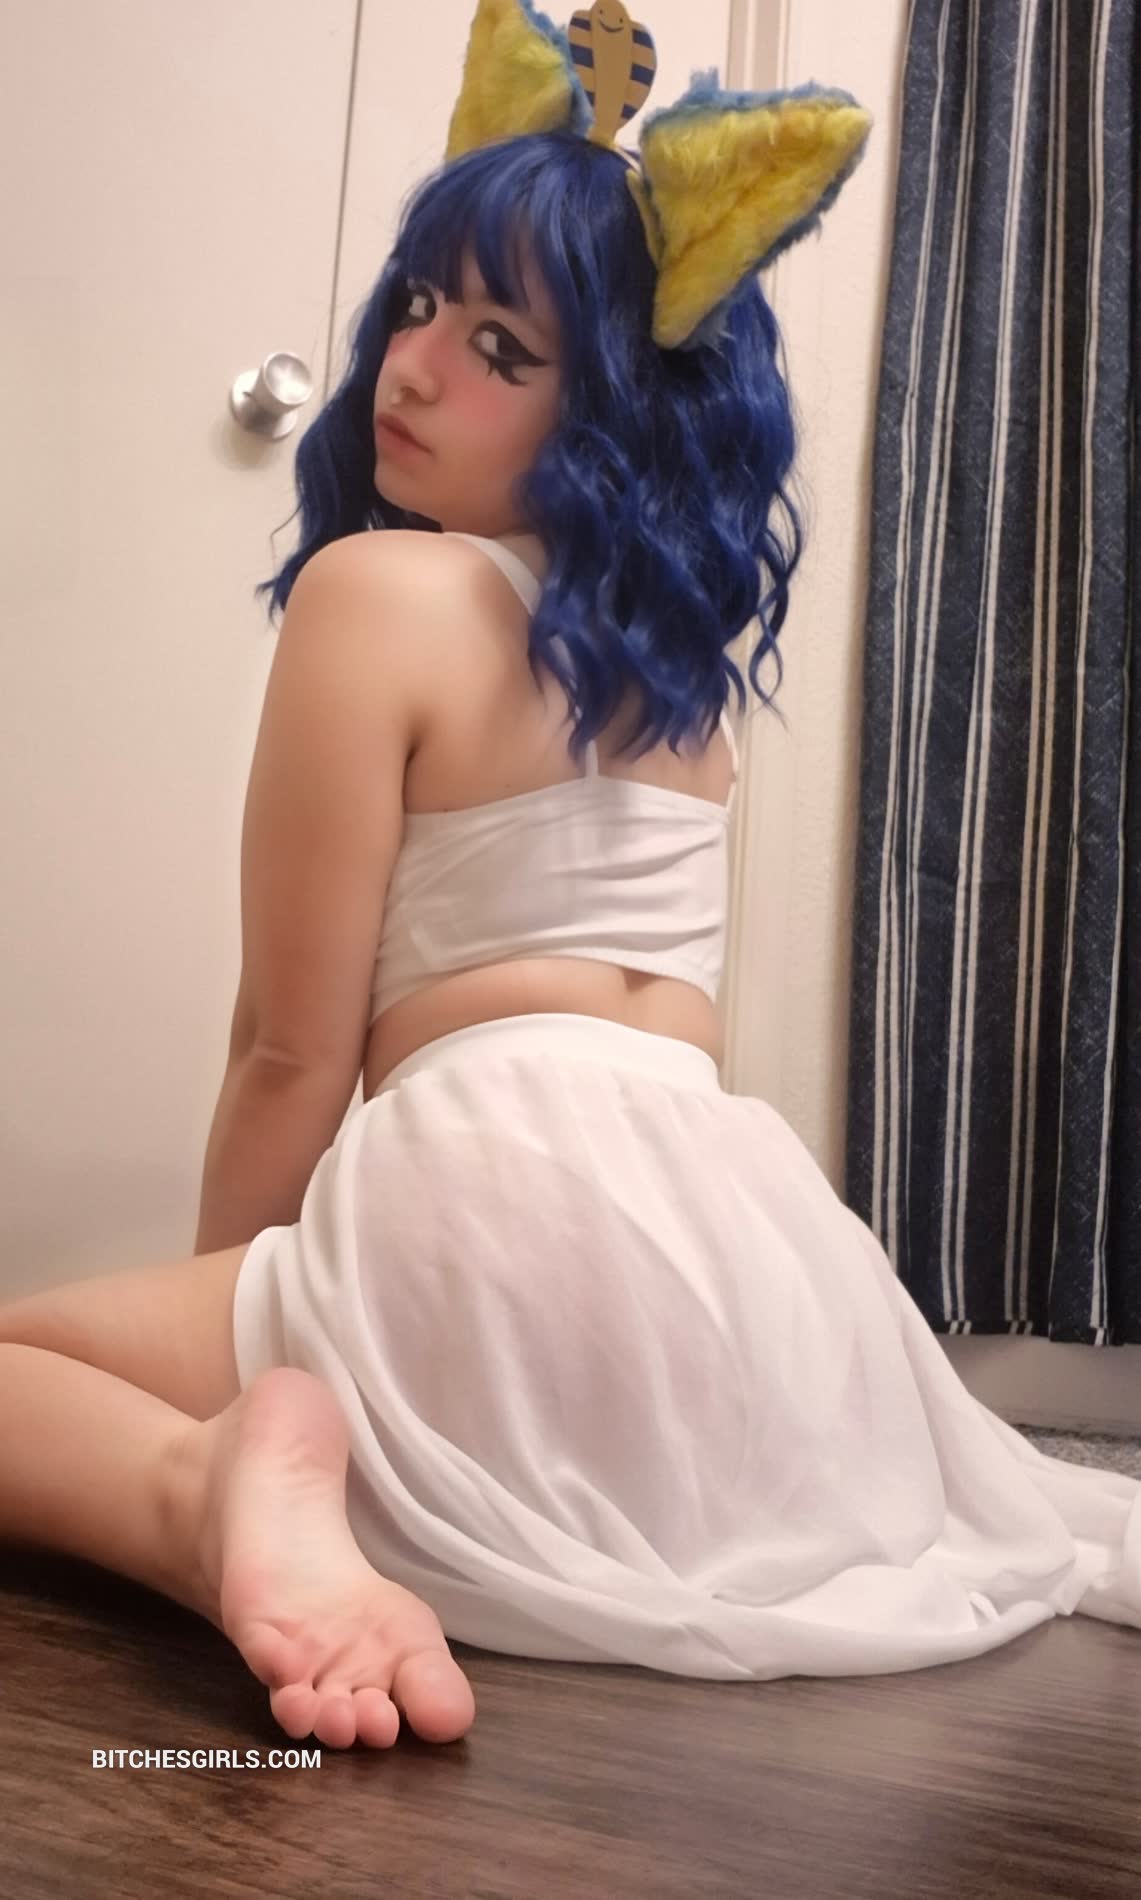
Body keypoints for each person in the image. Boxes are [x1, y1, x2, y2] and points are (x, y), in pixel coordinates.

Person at [5, 0, 1140, 1758]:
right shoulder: (684, 692)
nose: (410, 366)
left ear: (613, 412)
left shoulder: (375, 593)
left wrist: (253, 1311)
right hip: (755, 1249)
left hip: (481, 1191)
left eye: (499, 347)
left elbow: (292, 1048)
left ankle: (205, 1489)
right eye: (414, 305)